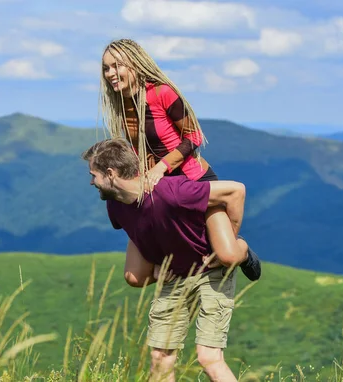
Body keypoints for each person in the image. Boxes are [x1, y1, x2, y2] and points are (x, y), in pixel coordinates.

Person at [82, 138, 252, 382]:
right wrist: (154, 268)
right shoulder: (115, 206)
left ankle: (243, 249)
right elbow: (143, 230)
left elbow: (237, 190)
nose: (91, 182)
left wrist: (230, 241)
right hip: (175, 277)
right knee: (160, 359)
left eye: (94, 175)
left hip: (210, 271)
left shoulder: (171, 192)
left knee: (208, 358)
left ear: (110, 174)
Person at [99, 38, 261, 280]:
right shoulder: (123, 106)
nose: (111, 73)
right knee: (136, 277)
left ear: (135, 64)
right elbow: (138, 151)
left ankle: (243, 250)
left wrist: (162, 167)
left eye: (117, 65)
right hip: (163, 192)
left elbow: (194, 136)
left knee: (227, 256)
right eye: (106, 68)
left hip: (195, 182)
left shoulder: (162, 92)